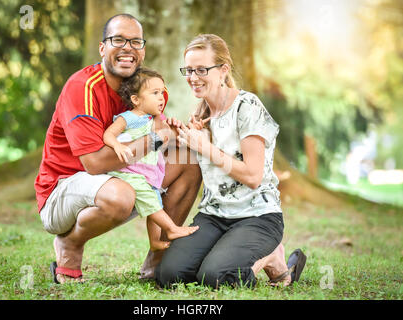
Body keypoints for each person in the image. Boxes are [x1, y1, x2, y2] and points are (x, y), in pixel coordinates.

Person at [34, 13, 202, 284]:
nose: (127, 48)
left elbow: (156, 137)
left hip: (120, 177)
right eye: (118, 40)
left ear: (143, 51)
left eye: (135, 41)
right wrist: (157, 139)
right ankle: (70, 244)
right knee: (121, 195)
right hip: (62, 191)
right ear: (102, 48)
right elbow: (95, 164)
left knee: (188, 162)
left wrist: (180, 134)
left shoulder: (147, 90)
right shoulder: (83, 88)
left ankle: (158, 264)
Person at [155, 34, 306, 289]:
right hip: (214, 215)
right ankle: (224, 253)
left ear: (223, 70)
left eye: (202, 69)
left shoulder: (247, 107)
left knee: (218, 278)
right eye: (188, 70)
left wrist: (205, 147)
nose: (193, 77)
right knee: (169, 275)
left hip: (257, 216)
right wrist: (173, 136)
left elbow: (253, 176)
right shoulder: (200, 115)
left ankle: (272, 257)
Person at [103, 67, 199, 251]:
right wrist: (117, 145)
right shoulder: (128, 118)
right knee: (151, 202)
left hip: (146, 172)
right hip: (129, 172)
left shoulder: (153, 119)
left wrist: (183, 128)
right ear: (136, 99)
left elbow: (167, 138)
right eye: (155, 93)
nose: (161, 97)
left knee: (156, 202)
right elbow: (109, 135)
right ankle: (172, 229)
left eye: (162, 92)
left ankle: (155, 242)